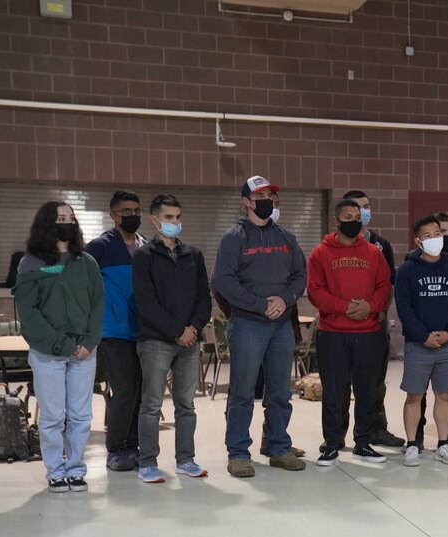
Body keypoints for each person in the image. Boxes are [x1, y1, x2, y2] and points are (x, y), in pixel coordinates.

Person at [214, 175, 307, 478]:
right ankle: (238, 452)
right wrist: (259, 304)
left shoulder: (286, 237)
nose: (268, 200)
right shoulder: (234, 237)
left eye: (270, 194)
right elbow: (223, 282)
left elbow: (299, 276)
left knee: (280, 390)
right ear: (246, 202)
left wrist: (285, 299)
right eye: (261, 195)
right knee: (242, 391)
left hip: (281, 324)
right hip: (248, 324)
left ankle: (278, 446)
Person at [13, 201, 103, 493]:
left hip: (84, 352)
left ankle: (76, 469)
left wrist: (89, 342)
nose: (67, 222)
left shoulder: (86, 262)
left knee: (80, 415)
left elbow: (97, 305)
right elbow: (29, 313)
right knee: (53, 416)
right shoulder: (31, 263)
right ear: (47, 224)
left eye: (70, 218)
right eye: (60, 218)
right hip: (48, 352)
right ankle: (55, 470)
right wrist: (62, 344)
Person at [131, 194, 212, 484]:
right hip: (156, 341)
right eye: (169, 218)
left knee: (186, 405)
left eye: (178, 217)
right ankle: (148, 463)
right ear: (155, 220)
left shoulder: (194, 255)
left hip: (190, 342)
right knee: (151, 405)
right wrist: (177, 331)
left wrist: (193, 328)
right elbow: (147, 302)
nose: (175, 222)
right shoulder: (143, 256)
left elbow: (204, 297)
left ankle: (185, 459)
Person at [306, 198, 391, 466]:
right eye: (348, 216)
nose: (354, 221)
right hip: (333, 333)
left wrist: (369, 307)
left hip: (368, 332)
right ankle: (332, 443)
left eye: (357, 216)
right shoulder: (320, 253)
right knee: (334, 391)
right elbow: (315, 292)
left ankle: (363, 443)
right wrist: (346, 307)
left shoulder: (374, 253)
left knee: (367, 390)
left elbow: (384, 287)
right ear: (337, 221)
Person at [394, 215, 448, 467]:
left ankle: (443, 444)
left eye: (438, 233)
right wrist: (423, 336)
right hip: (418, 345)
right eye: (428, 236)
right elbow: (405, 310)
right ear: (418, 241)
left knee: (444, 395)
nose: (436, 238)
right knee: (414, 396)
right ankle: (413, 444)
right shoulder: (406, 271)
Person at [86, 189, 146, 472]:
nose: (132, 216)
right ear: (113, 215)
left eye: (136, 211)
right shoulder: (99, 247)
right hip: (115, 331)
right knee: (124, 391)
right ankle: (117, 448)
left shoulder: (146, 246)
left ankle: (135, 444)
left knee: (143, 392)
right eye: (126, 212)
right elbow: (79, 282)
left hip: (145, 331)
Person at [341, 190, 405, 449]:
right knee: (342, 384)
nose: (362, 212)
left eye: (366, 207)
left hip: (374, 323)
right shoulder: (333, 244)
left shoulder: (381, 245)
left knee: (375, 384)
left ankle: (377, 429)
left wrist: (375, 311)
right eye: (357, 208)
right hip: (342, 325)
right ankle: (337, 435)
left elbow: (387, 286)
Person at [413, 210, 448, 452]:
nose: (444, 237)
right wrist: (424, 335)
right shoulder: (412, 262)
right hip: (422, 336)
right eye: (440, 232)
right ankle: (416, 433)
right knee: (419, 390)